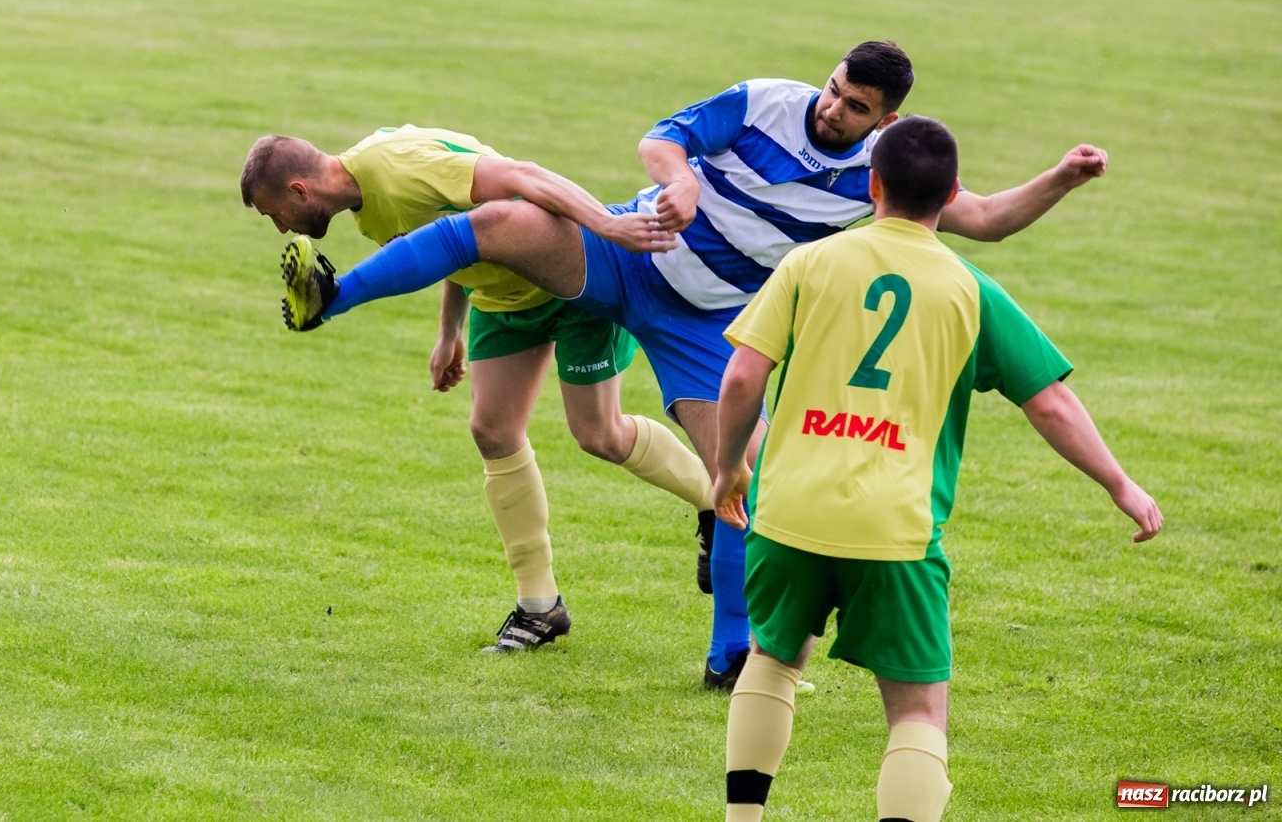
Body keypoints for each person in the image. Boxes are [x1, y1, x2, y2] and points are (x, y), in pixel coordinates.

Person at [279, 41, 1112, 686]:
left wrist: (1063, 180)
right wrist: (676, 181)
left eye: (855, 107)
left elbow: (991, 219)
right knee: (500, 221)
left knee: (738, 477)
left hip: (707, 320)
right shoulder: (764, 103)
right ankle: (334, 296)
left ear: (884, 123)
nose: (832, 109)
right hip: (628, 250)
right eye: (832, 88)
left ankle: (729, 658)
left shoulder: (878, 175)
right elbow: (664, 137)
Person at [709, 115, 1162, 822]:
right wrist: (1120, 483)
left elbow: (741, 379)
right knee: (917, 709)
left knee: (772, 659)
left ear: (872, 183)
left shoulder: (812, 263)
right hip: (897, 528)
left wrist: (728, 466)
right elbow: (1051, 404)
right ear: (951, 194)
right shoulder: (970, 289)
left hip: (789, 510)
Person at [240, 126, 716, 654]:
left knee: (599, 434)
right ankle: (540, 607)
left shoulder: (394, 166)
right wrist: (451, 332)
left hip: (570, 281)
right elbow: (450, 239)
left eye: (274, 213)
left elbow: (523, 177)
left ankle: (713, 498)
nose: (280, 226)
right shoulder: (365, 204)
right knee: (492, 431)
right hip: (502, 300)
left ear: (300, 191)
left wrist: (608, 226)